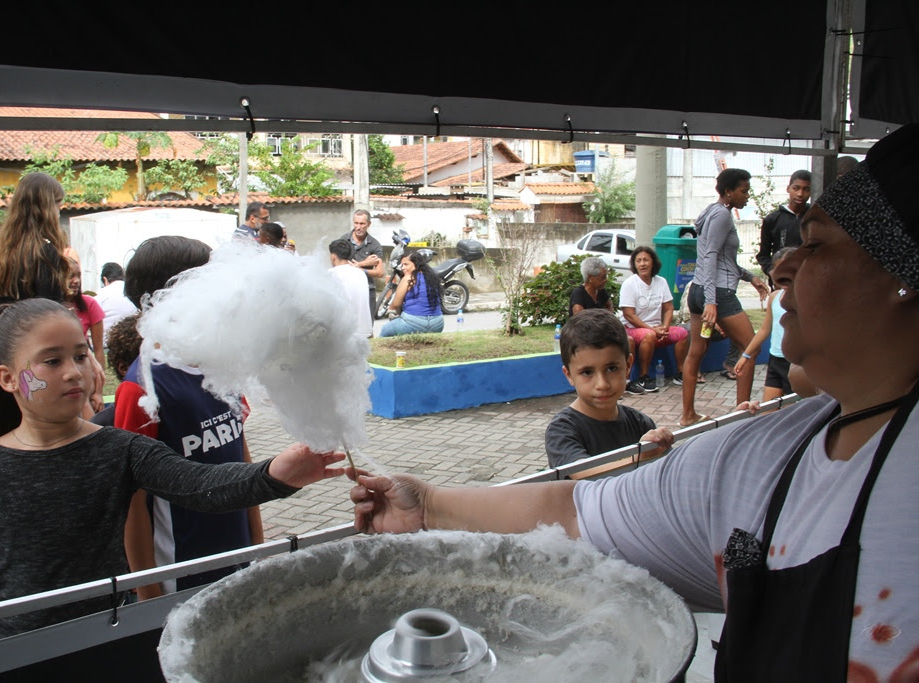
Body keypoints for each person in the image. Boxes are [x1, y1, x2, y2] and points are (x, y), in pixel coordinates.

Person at [351, 123, 919, 681]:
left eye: (815, 244)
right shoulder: (757, 459)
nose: (782, 266)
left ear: (904, 275)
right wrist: (427, 505)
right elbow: (577, 512)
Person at [0, 298, 345, 657]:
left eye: (81, 355)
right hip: (12, 651)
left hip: (105, 641)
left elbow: (199, 486)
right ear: (8, 378)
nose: (73, 371)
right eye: (52, 361)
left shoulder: (119, 449)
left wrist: (275, 474)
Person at [115, 236, 266, 597]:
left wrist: (258, 546)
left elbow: (242, 460)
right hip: (181, 572)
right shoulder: (142, 388)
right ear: (168, 296)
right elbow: (130, 503)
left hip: (237, 557)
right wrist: (147, 591)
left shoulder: (218, 365)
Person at [681, 168, 769, 426]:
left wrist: (749, 277)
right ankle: (741, 416)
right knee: (751, 348)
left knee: (696, 351)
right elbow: (709, 256)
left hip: (699, 290)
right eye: (744, 190)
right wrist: (711, 301)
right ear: (729, 191)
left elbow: (723, 260)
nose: (747, 196)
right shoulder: (722, 215)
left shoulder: (712, 211)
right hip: (716, 293)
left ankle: (688, 416)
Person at [545, 310, 673, 477]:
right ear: (569, 375)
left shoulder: (640, 423)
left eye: (612, 368)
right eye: (587, 372)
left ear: (628, 366)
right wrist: (639, 455)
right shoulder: (562, 430)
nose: (602, 384)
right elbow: (584, 472)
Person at [0, 172, 70, 307]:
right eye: (58, 207)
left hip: (2, 325)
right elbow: (51, 308)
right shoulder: (44, 251)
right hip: (35, 325)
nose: (58, 214)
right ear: (46, 209)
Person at [618, 246, 690, 393]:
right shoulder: (630, 284)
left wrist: (666, 327)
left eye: (646, 260)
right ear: (634, 264)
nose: (642, 264)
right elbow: (628, 315)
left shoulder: (661, 282)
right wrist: (651, 329)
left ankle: (680, 373)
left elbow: (669, 308)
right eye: (638, 261)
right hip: (632, 329)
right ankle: (643, 376)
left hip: (657, 328)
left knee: (682, 333)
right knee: (649, 335)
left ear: (653, 262)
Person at [734, 247, 797, 402]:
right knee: (768, 411)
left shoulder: (803, 299)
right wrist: (745, 355)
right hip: (775, 360)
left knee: (792, 413)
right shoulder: (775, 297)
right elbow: (764, 330)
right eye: (779, 271)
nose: (783, 277)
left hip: (795, 363)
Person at [757, 170, 811, 282]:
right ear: (788, 188)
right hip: (782, 280)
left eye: (806, 189)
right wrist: (772, 272)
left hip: (808, 279)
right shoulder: (772, 219)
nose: (800, 194)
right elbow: (763, 255)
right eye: (796, 188)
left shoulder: (815, 218)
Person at [379, 251, 443, 337]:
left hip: (414, 323)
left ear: (416, 264)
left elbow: (396, 304)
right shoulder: (433, 278)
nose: (402, 268)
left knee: (385, 330)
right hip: (437, 324)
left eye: (406, 264)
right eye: (402, 265)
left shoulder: (408, 278)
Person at [340, 209, 385, 319]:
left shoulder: (374, 244)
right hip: (346, 288)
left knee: (368, 326)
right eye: (356, 223)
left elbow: (379, 272)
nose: (358, 227)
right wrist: (364, 263)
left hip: (367, 289)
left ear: (369, 224)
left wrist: (360, 268)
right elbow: (339, 265)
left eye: (362, 223)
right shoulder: (344, 240)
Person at [65, 258, 106, 373]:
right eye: (71, 276)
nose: (77, 280)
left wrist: (99, 377)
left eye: (79, 276)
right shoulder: (49, 307)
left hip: (82, 364)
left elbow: (98, 349)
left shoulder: (89, 304)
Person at [329, 239, 373, 338]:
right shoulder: (360, 273)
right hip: (365, 331)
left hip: (344, 334)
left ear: (333, 257)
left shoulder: (330, 274)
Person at [94, 262, 137, 347]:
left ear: (105, 280)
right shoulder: (133, 291)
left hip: (107, 345)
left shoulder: (100, 294)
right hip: (133, 343)